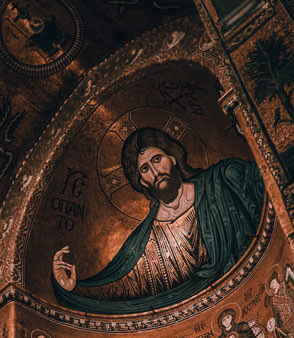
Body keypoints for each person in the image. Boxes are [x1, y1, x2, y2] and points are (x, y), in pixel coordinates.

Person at [52, 127, 262, 314]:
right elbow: (122, 288)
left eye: (157, 159)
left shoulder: (221, 181)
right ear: (142, 181)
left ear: (172, 158)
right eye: (145, 169)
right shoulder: (145, 241)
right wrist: (73, 288)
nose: (155, 171)